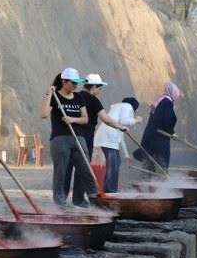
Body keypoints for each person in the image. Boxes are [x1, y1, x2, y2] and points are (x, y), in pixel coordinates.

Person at [65, 73, 129, 204]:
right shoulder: (93, 100)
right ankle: (78, 200)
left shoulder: (74, 96)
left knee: (67, 168)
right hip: (85, 137)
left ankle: (61, 200)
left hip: (69, 136)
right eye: (99, 88)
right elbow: (105, 119)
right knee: (83, 169)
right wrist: (120, 126)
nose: (99, 92)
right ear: (93, 86)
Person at [38, 68, 96, 207]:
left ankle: (96, 201)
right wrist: (48, 95)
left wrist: (72, 119)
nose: (76, 86)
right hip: (60, 138)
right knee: (61, 173)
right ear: (64, 82)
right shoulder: (55, 97)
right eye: (73, 82)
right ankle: (60, 204)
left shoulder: (78, 97)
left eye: (77, 83)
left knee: (86, 170)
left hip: (78, 137)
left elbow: (85, 119)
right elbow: (44, 114)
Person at [94, 97, 141, 192]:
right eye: (136, 110)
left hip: (106, 139)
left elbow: (121, 138)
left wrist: (126, 155)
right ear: (134, 107)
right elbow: (125, 121)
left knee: (116, 163)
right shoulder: (127, 106)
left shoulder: (118, 110)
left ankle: (109, 190)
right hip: (108, 139)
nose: (135, 112)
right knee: (113, 166)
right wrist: (137, 121)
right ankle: (110, 191)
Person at [139, 82, 181, 173]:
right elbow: (166, 120)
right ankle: (159, 185)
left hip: (150, 138)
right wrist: (172, 133)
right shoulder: (167, 102)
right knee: (161, 166)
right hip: (159, 141)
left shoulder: (159, 101)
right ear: (173, 92)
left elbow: (155, 119)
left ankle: (147, 186)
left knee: (149, 168)